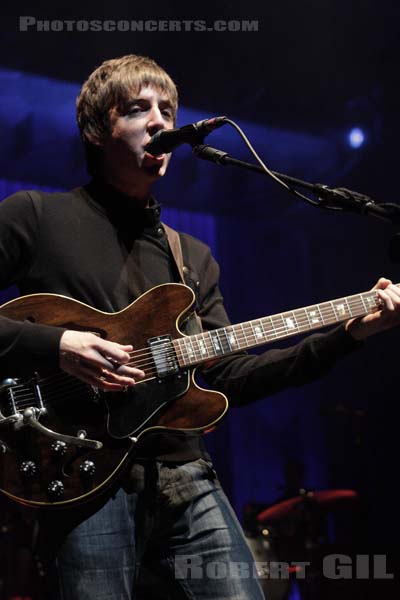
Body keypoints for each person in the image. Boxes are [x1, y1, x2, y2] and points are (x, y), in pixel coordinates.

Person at [0, 54, 399, 600]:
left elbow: (230, 375)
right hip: (79, 475)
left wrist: (347, 334)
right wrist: (59, 343)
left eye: (167, 109)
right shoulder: (34, 217)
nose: (161, 122)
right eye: (138, 109)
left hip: (185, 475)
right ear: (97, 130)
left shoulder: (192, 258)